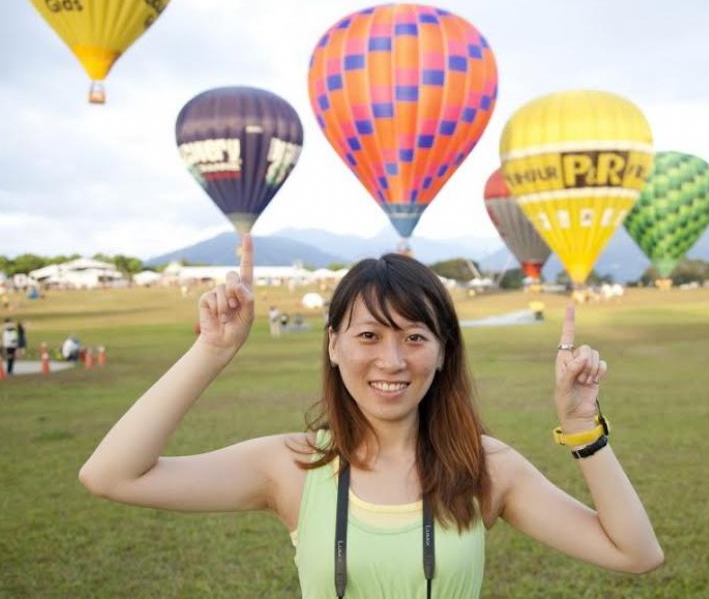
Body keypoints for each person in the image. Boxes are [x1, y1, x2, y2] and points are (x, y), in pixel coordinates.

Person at [78, 236, 662, 597]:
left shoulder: (483, 467)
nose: (391, 360)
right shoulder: (295, 466)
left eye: (414, 336)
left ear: (443, 351)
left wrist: (584, 428)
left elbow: (635, 553)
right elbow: (111, 475)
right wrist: (213, 350)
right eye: (368, 335)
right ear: (333, 345)